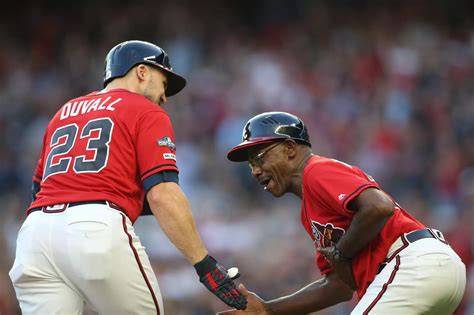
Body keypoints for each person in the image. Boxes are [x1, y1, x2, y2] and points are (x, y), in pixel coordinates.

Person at [8, 40, 247, 315]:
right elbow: (162, 194)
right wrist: (204, 264)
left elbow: (38, 187)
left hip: (34, 235)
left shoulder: (64, 111)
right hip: (95, 228)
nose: (164, 97)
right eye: (163, 83)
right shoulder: (145, 109)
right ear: (142, 73)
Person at [219, 111, 466, 314]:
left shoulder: (316, 171)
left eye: (259, 158)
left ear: (290, 148)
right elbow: (337, 286)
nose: (255, 170)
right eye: (251, 164)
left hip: (413, 264)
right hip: (429, 272)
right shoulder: (309, 210)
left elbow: (379, 207)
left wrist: (340, 252)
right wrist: (268, 310)